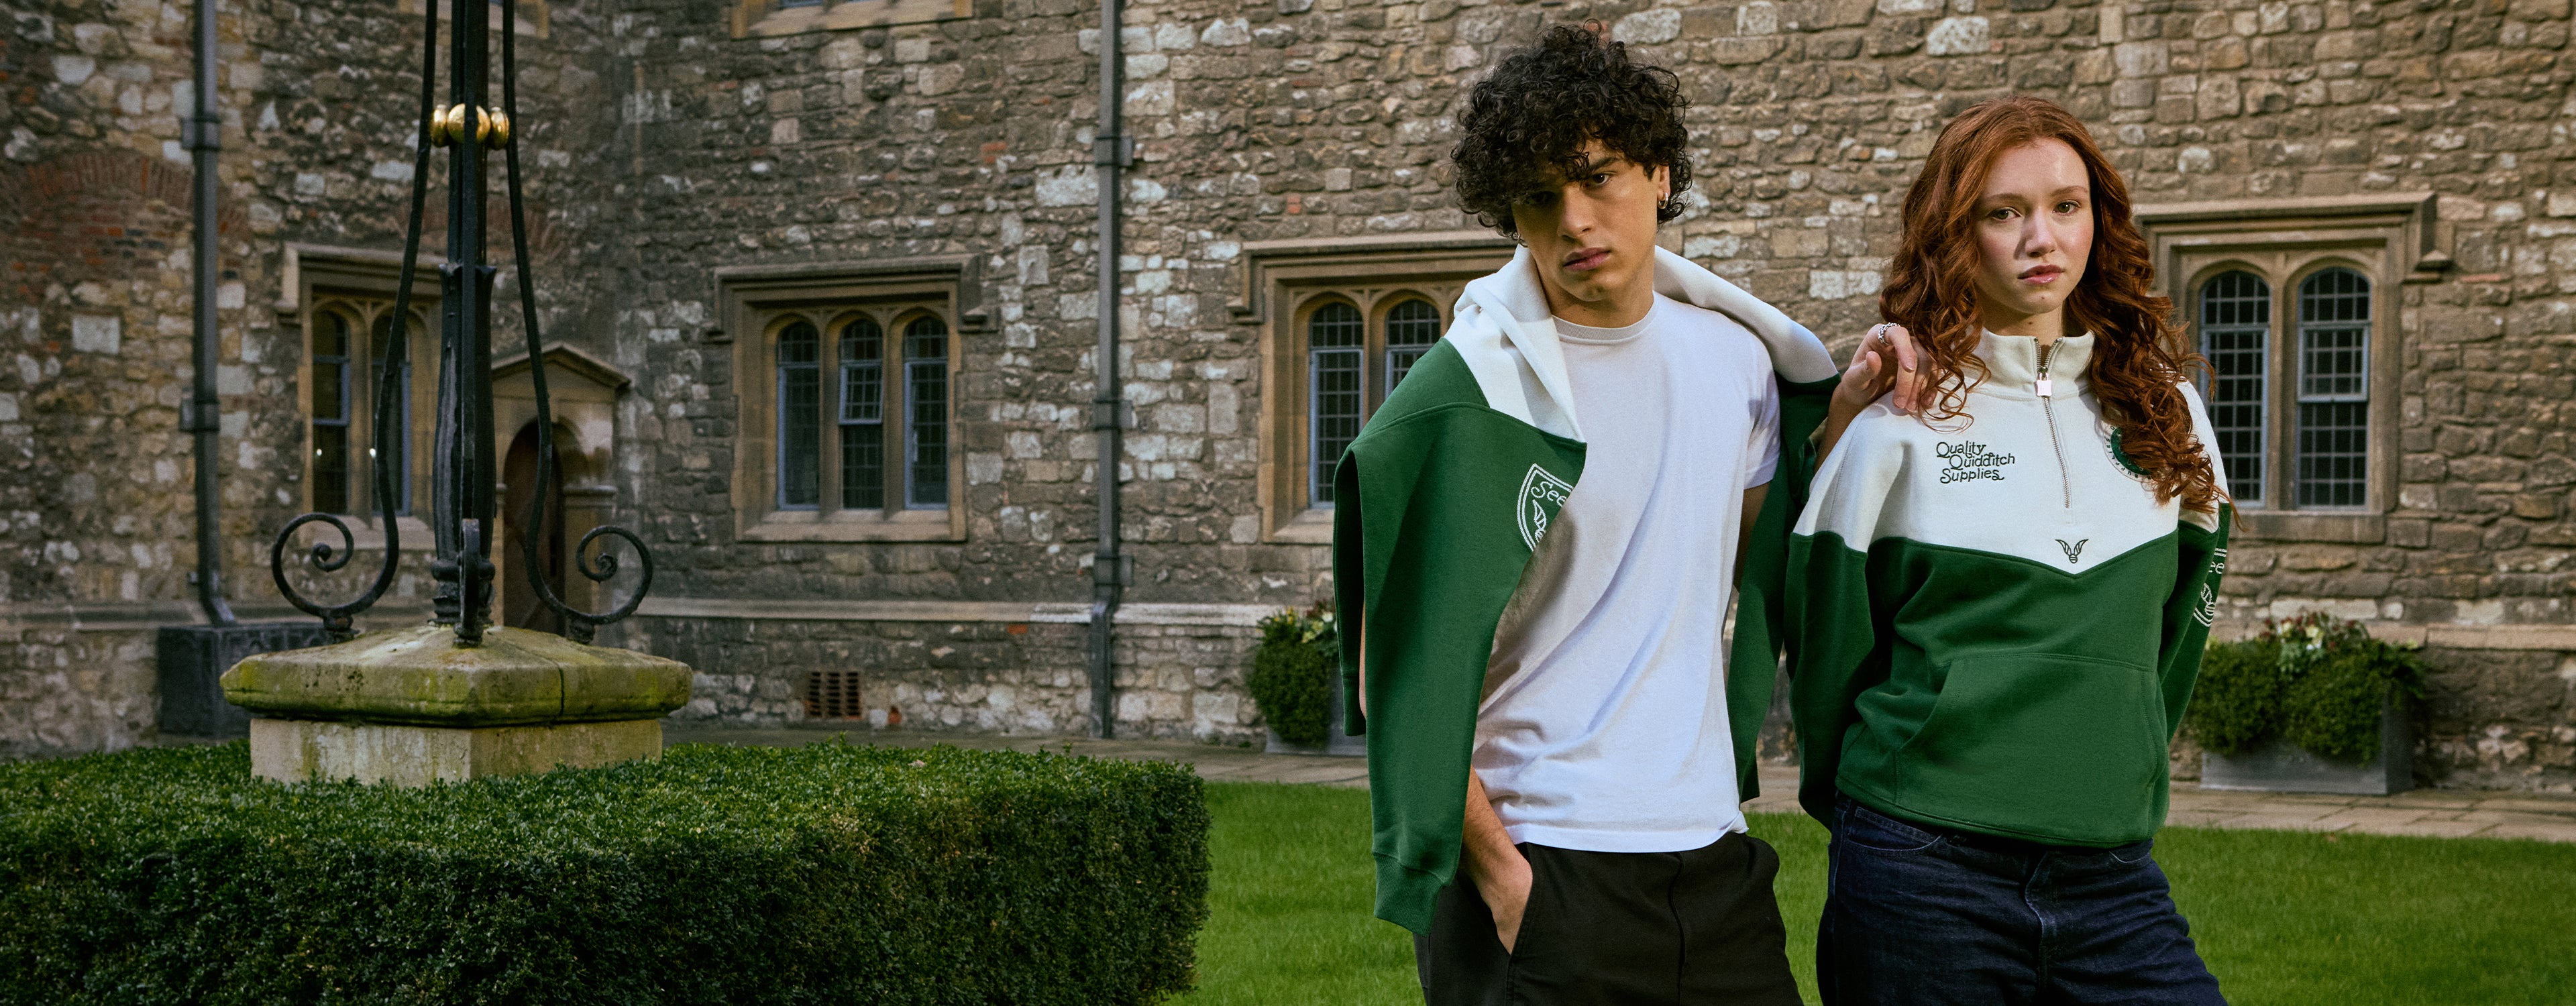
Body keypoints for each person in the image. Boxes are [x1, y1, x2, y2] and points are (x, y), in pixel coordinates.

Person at [1330, 24, 1841, 1006]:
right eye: (1537, 198)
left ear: (1657, 172)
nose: (1573, 219)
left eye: (1597, 177)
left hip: (1714, 861)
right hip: (1543, 855)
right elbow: (1386, 663)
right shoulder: (1469, 396)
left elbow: (1746, 561)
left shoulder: (1738, 365)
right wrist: (1504, 880)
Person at [1786, 95, 2235, 1005]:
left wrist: (2124, 749)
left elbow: (2176, 641)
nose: (2043, 238)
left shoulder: (2170, 420)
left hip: (2112, 874)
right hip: (1920, 866)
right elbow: (1826, 650)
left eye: (2066, 206)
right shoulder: (1894, 425)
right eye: (2005, 213)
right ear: (1959, 235)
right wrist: (1885, 799)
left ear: (2099, 223)